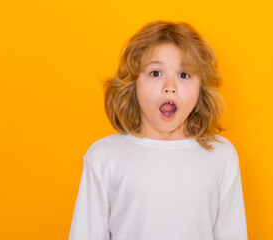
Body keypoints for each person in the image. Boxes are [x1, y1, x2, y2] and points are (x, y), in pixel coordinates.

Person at [68, 20, 248, 240]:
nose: (169, 86)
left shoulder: (221, 155)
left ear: (201, 87)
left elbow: (232, 233)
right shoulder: (103, 157)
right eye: (155, 73)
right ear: (132, 83)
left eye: (184, 75)